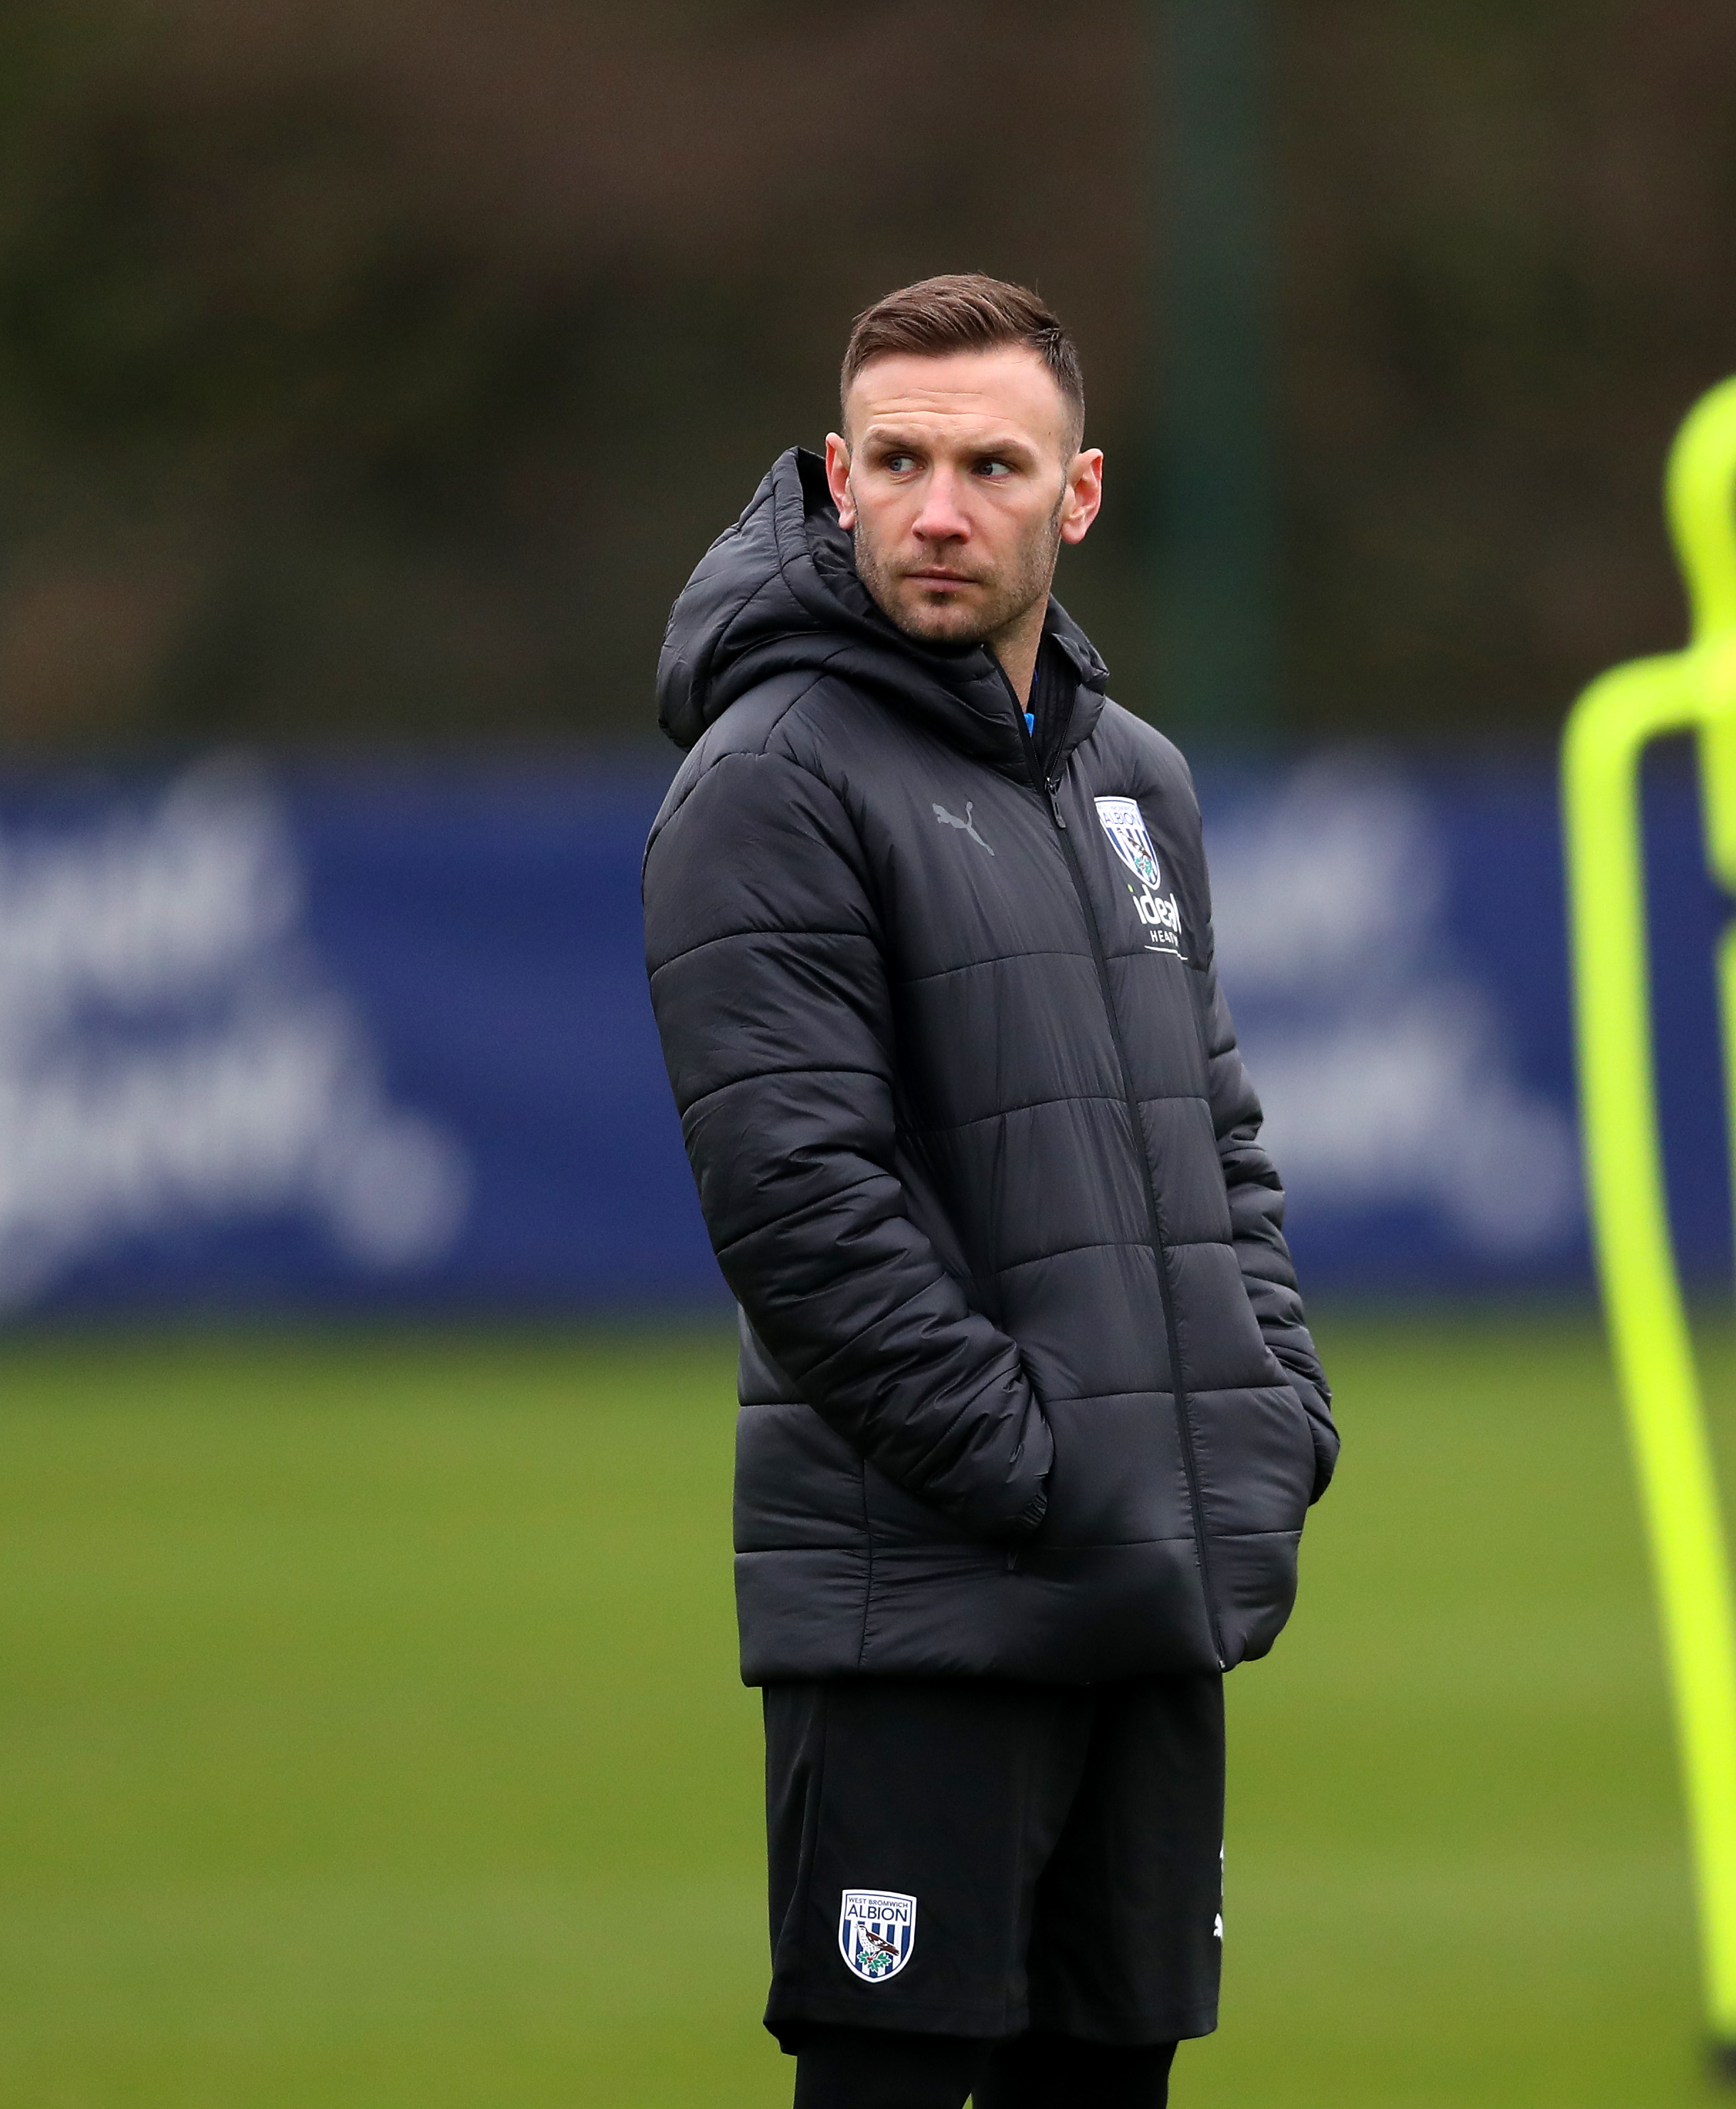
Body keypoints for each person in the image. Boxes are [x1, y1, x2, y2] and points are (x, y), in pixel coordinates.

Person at [641, 273, 1338, 2109]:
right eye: (899, 461)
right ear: (835, 474)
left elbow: (1220, 1140)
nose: (940, 508)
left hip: (1147, 1585)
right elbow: (799, 1201)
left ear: (1078, 495)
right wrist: (1039, 1464)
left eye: (991, 464)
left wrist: (1269, 1413)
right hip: (926, 1599)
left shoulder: (1137, 782)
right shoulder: (769, 777)